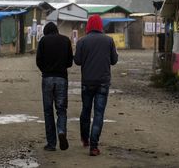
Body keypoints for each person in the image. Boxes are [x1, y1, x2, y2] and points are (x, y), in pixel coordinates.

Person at [74, 14, 118, 156]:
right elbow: (114, 60)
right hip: (103, 83)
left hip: (87, 82)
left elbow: (78, 61)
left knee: (86, 111)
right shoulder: (109, 40)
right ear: (100, 25)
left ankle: (85, 138)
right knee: (99, 113)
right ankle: (94, 146)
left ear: (88, 25)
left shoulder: (82, 41)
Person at [36, 22, 73, 151]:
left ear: (46, 31)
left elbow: (38, 60)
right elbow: (69, 62)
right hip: (62, 78)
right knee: (61, 110)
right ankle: (61, 131)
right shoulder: (66, 40)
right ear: (56, 30)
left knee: (48, 111)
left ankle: (51, 144)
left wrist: (46, 70)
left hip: (47, 79)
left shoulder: (43, 41)